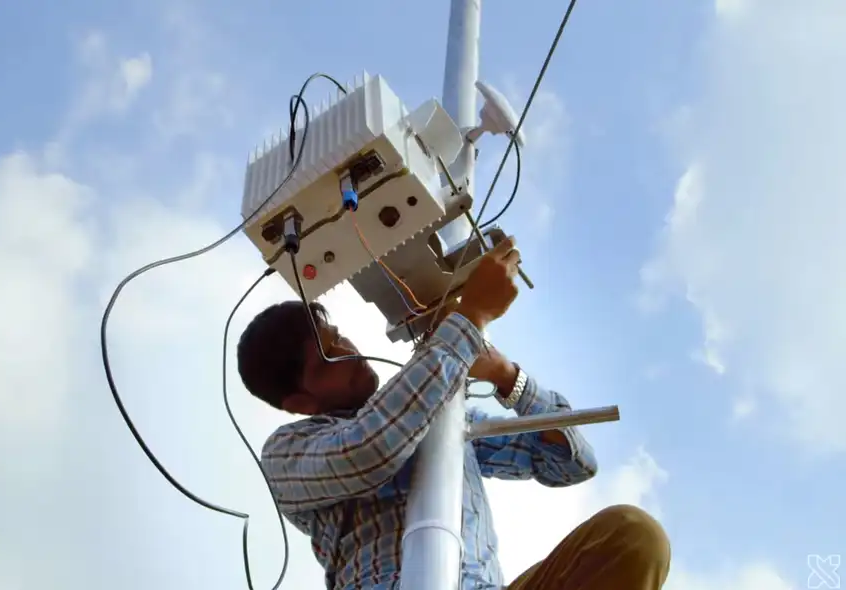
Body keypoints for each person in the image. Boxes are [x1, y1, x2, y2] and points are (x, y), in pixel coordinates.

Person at [237, 236, 671, 590]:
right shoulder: (287, 454)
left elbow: (571, 464)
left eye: (339, 338)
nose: (349, 353)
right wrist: (469, 317)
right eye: (328, 358)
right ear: (299, 402)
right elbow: (370, 449)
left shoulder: (440, 413)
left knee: (632, 538)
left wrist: (506, 376)